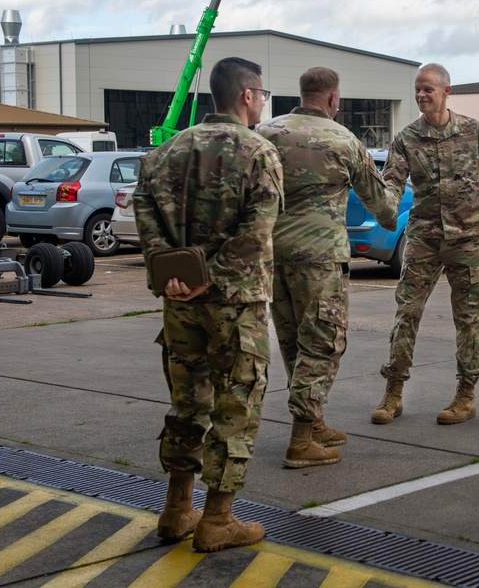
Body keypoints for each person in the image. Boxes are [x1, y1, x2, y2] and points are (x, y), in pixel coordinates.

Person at [133, 57, 283, 552]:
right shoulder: (259, 153)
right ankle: (218, 519)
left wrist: (171, 276)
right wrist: (212, 277)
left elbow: (146, 220)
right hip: (235, 305)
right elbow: (256, 232)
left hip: (179, 304)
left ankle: (177, 509)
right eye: (260, 93)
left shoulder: (163, 153)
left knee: (186, 404)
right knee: (236, 406)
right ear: (246, 95)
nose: (262, 102)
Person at [257, 67, 397, 468]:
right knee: (322, 343)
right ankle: (301, 439)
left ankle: (313, 421)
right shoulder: (344, 141)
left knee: (291, 341)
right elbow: (386, 210)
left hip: (271, 256)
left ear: (301, 93)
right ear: (334, 99)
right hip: (319, 259)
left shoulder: (266, 133)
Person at [373, 63, 479, 425]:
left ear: (446, 91)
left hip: (467, 237)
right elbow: (392, 181)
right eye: (417, 90)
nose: (421, 95)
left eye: (428, 90)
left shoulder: (472, 131)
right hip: (424, 236)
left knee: (469, 318)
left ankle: (466, 394)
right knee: (407, 313)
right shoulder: (406, 138)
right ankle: (393, 392)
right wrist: (385, 206)